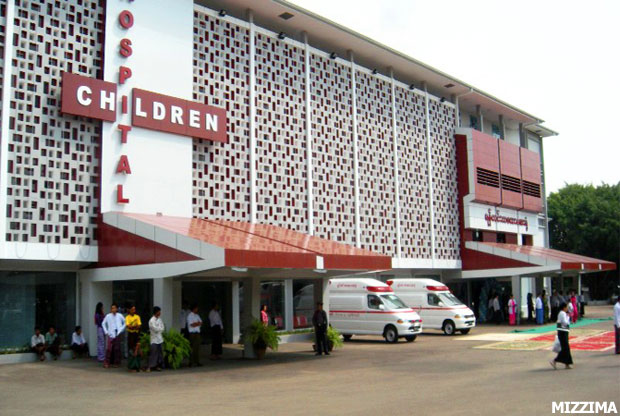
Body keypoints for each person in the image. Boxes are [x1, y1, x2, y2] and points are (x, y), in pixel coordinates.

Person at [102, 302, 126, 368]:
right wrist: (106, 331)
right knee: (109, 349)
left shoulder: (120, 315)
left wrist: (121, 329)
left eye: (114, 308)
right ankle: (107, 362)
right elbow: (103, 323)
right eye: (112, 308)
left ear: (117, 309)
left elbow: (125, 322)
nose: (113, 309)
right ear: (111, 309)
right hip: (110, 333)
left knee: (117, 349)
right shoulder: (108, 316)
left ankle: (116, 362)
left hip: (117, 333)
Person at [550, 302, 573, 369]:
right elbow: (565, 323)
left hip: (564, 331)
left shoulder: (563, 313)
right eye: (566, 307)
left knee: (566, 348)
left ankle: (567, 363)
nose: (567, 309)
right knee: (565, 348)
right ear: (564, 307)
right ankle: (555, 360)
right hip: (562, 332)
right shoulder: (562, 313)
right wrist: (568, 317)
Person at [147, 306, 165, 372]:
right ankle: (150, 366)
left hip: (160, 338)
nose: (160, 313)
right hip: (154, 339)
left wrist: (159, 329)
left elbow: (163, 328)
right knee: (153, 353)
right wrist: (159, 329)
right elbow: (155, 329)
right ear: (156, 312)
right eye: (159, 311)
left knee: (159, 353)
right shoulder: (151, 320)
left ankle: (157, 366)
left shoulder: (160, 319)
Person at [125, 304, 142, 370]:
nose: (134, 311)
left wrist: (133, 327)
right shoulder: (127, 317)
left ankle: (137, 366)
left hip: (136, 334)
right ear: (129, 310)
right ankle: (131, 367)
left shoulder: (137, 317)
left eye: (134, 309)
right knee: (131, 350)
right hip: (130, 335)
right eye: (132, 309)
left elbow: (139, 326)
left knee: (137, 349)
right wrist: (135, 327)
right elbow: (128, 326)